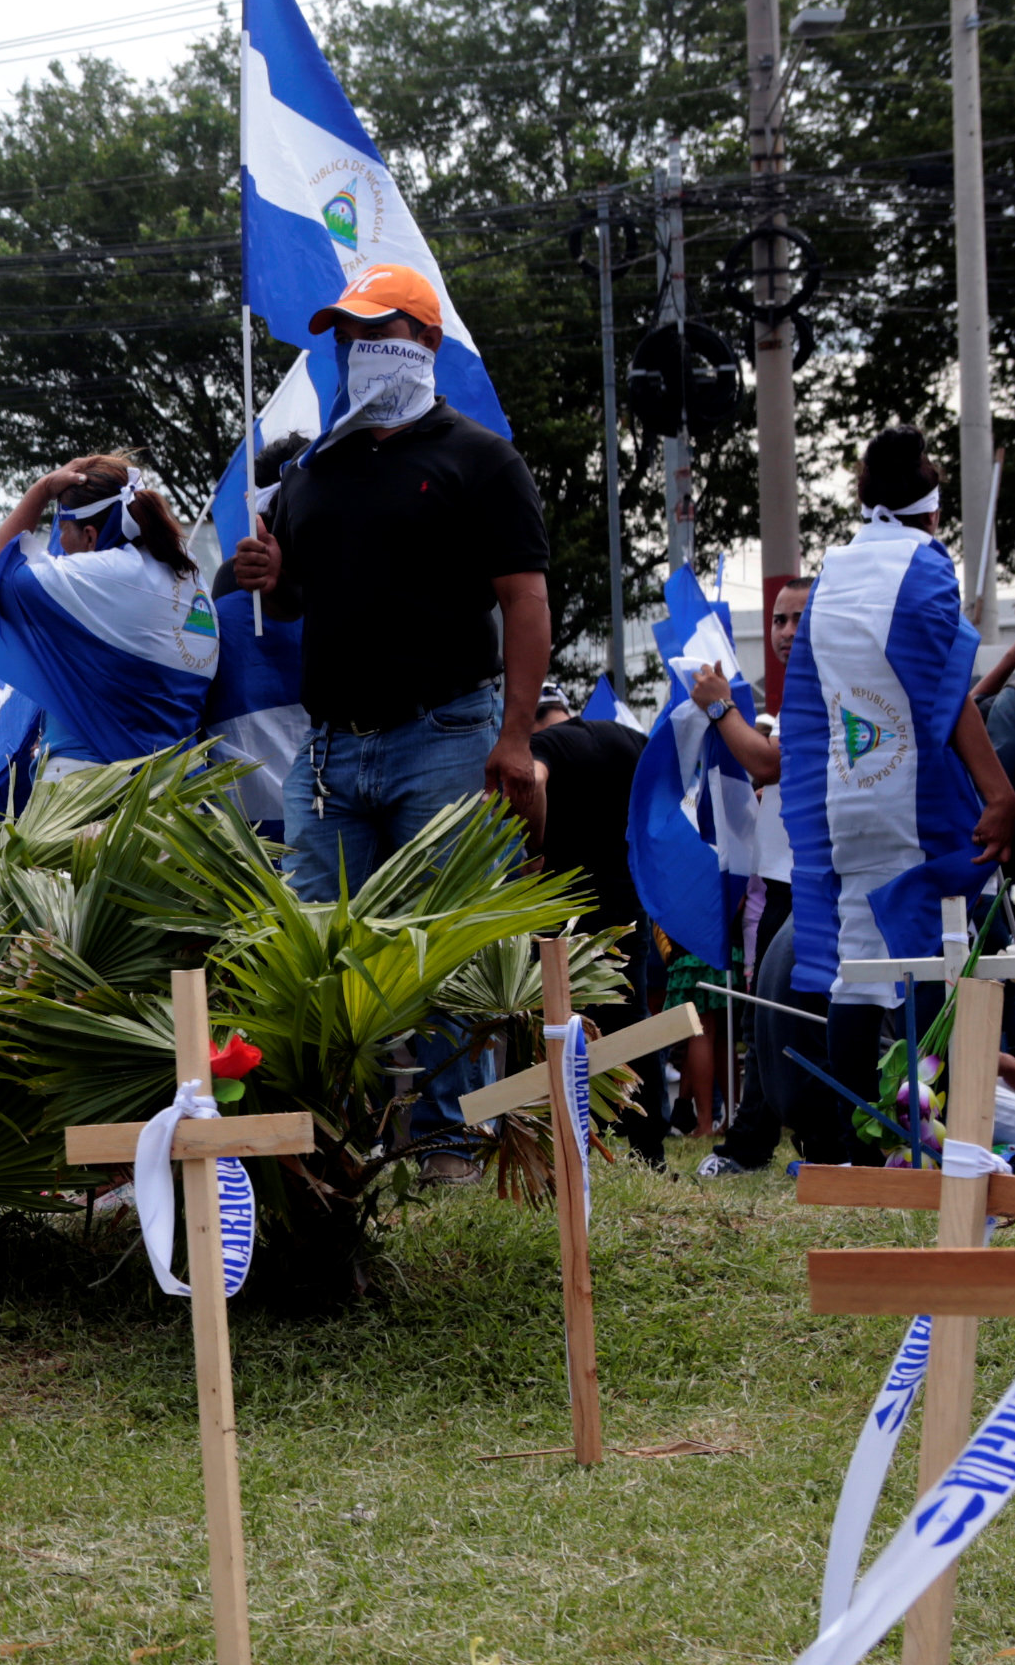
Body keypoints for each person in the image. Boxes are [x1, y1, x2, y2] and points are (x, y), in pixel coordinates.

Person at [225, 264, 552, 1177]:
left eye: (383, 335)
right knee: (317, 944)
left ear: (428, 344)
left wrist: (516, 736)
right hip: (329, 750)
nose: (362, 354)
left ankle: (449, 1144)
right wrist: (270, 575)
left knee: (440, 944)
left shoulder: (480, 459)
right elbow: (292, 604)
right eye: (348, 339)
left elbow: (524, 601)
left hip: (445, 733)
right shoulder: (314, 469)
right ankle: (336, 1140)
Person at [778, 426, 1015, 1163]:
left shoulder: (837, 567)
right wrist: (1000, 791)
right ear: (935, 509)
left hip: (850, 793)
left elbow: (813, 705)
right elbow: (945, 696)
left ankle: (847, 1140)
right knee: (943, 950)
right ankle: (936, 1133)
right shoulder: (924, 566)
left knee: (858, 965)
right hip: (918, 796)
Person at [0, 454, 217, 779]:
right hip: (178, 796)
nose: (60, 548)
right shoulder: (193, 579)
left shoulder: (100, 575)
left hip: (91, 793)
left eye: (62, 533)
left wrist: (41, 490)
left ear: (89, 536)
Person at [523, 680, 667, 1161]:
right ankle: (648, 1143)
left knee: (556, 1024)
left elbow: (535, 781)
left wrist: (533, 849)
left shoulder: (541, 747)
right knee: (630, 1016)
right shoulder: (626, 738)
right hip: (626, 902)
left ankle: (565, 1139)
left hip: (563, 905)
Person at [701, 586, 802, 1177]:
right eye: (777, 619)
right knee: (770, 1008)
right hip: (784, 873)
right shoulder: (796, 695)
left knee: (780, 1006)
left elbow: (767, 761)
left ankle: (758, 1142)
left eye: (799, 619)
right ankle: (754, 1140)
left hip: (816, 875)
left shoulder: (821, 685)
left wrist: (721, 708)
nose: (785, 631)